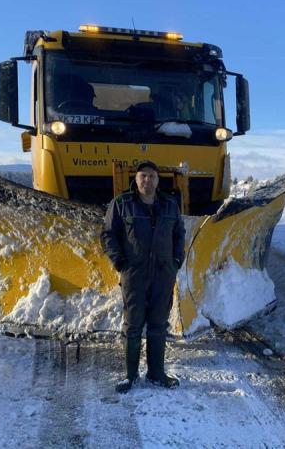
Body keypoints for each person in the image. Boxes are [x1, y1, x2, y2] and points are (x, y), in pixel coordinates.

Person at [100, 160, 185, 394]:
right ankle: (130, 375)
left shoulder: (170, 205)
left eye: (151, 176)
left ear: (158, 180)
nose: (147, 180)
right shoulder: (122, 204)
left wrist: (177, 260)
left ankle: (156, 373)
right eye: (143, 176)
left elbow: (179, 233)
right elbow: (108, 234)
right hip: (134, 274)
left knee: (158, 323)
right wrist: (119, 261)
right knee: (133, 324)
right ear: (136, 179)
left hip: (163, 274)